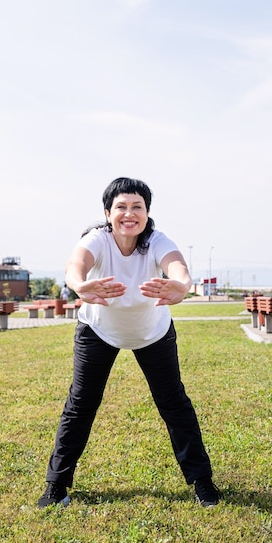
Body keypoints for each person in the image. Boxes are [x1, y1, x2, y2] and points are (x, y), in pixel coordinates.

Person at [38, 177, 220, 509]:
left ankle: (202, 482)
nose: (129, 213)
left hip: (152, 333)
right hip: (98, 330)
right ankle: (56, 485)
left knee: (174, 404)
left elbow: (177, 266)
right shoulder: (98, 239)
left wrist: (181, 285)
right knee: (80, 404)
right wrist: (80, 285)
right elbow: (76, 265)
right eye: (121, 206)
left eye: (137, 206)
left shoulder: (157, 241)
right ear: (108, 213)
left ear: (147, 213)